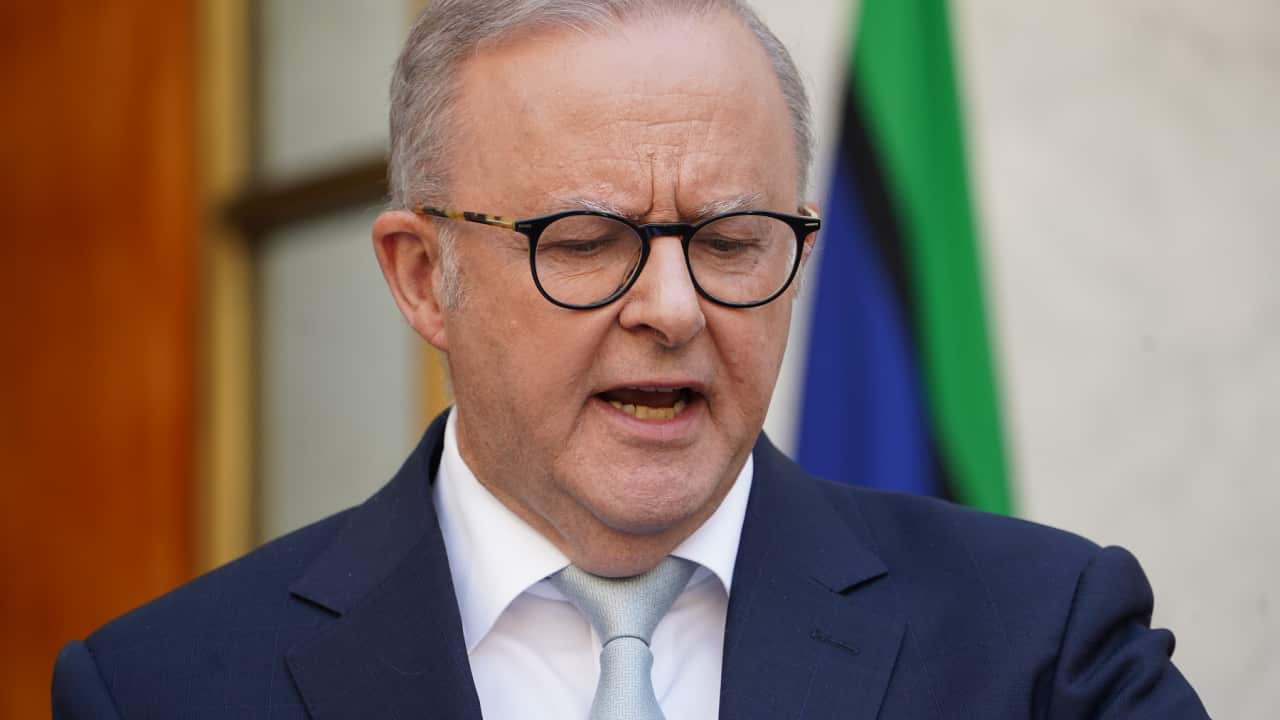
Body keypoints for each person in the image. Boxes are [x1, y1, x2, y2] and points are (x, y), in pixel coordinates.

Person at [52, 1, 1209, 717]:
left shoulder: (1041, 645)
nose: (673, 307)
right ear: (420, 277)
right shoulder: (165, 688)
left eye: (732, 239)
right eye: (587, 241)